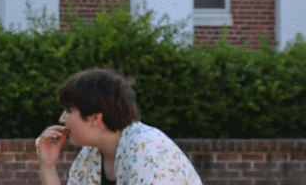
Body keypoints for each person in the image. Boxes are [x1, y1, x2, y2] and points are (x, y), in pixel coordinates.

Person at [34, 68, 201, 185]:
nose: (62, 119)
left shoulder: (150, 151)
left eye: (68, 111)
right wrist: (48, 167)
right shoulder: (91, 154)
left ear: (95, 118)